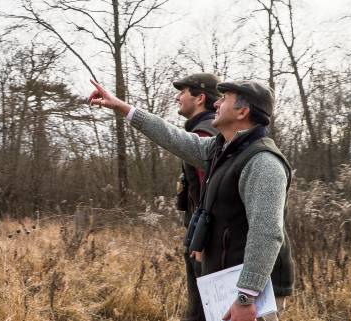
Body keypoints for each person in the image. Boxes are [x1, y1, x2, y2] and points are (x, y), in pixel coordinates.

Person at [88, 79, 294, 321]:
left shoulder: (263, 163)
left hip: (254, 290)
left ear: (243, 111)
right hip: (229, 283)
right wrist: (122, 107)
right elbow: (172, 137)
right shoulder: (221, 150)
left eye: (224, 98)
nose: (215, 103)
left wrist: (246, 297)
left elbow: (267, 233)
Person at [173, 73, 220, 321]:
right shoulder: (208, 130)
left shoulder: (204, 135)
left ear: (200, 98)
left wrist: (201, 242)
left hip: (205, 245)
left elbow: (212, 193)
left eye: (183, 92)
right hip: (203, 240)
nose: (177, 97)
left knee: (203, 313)